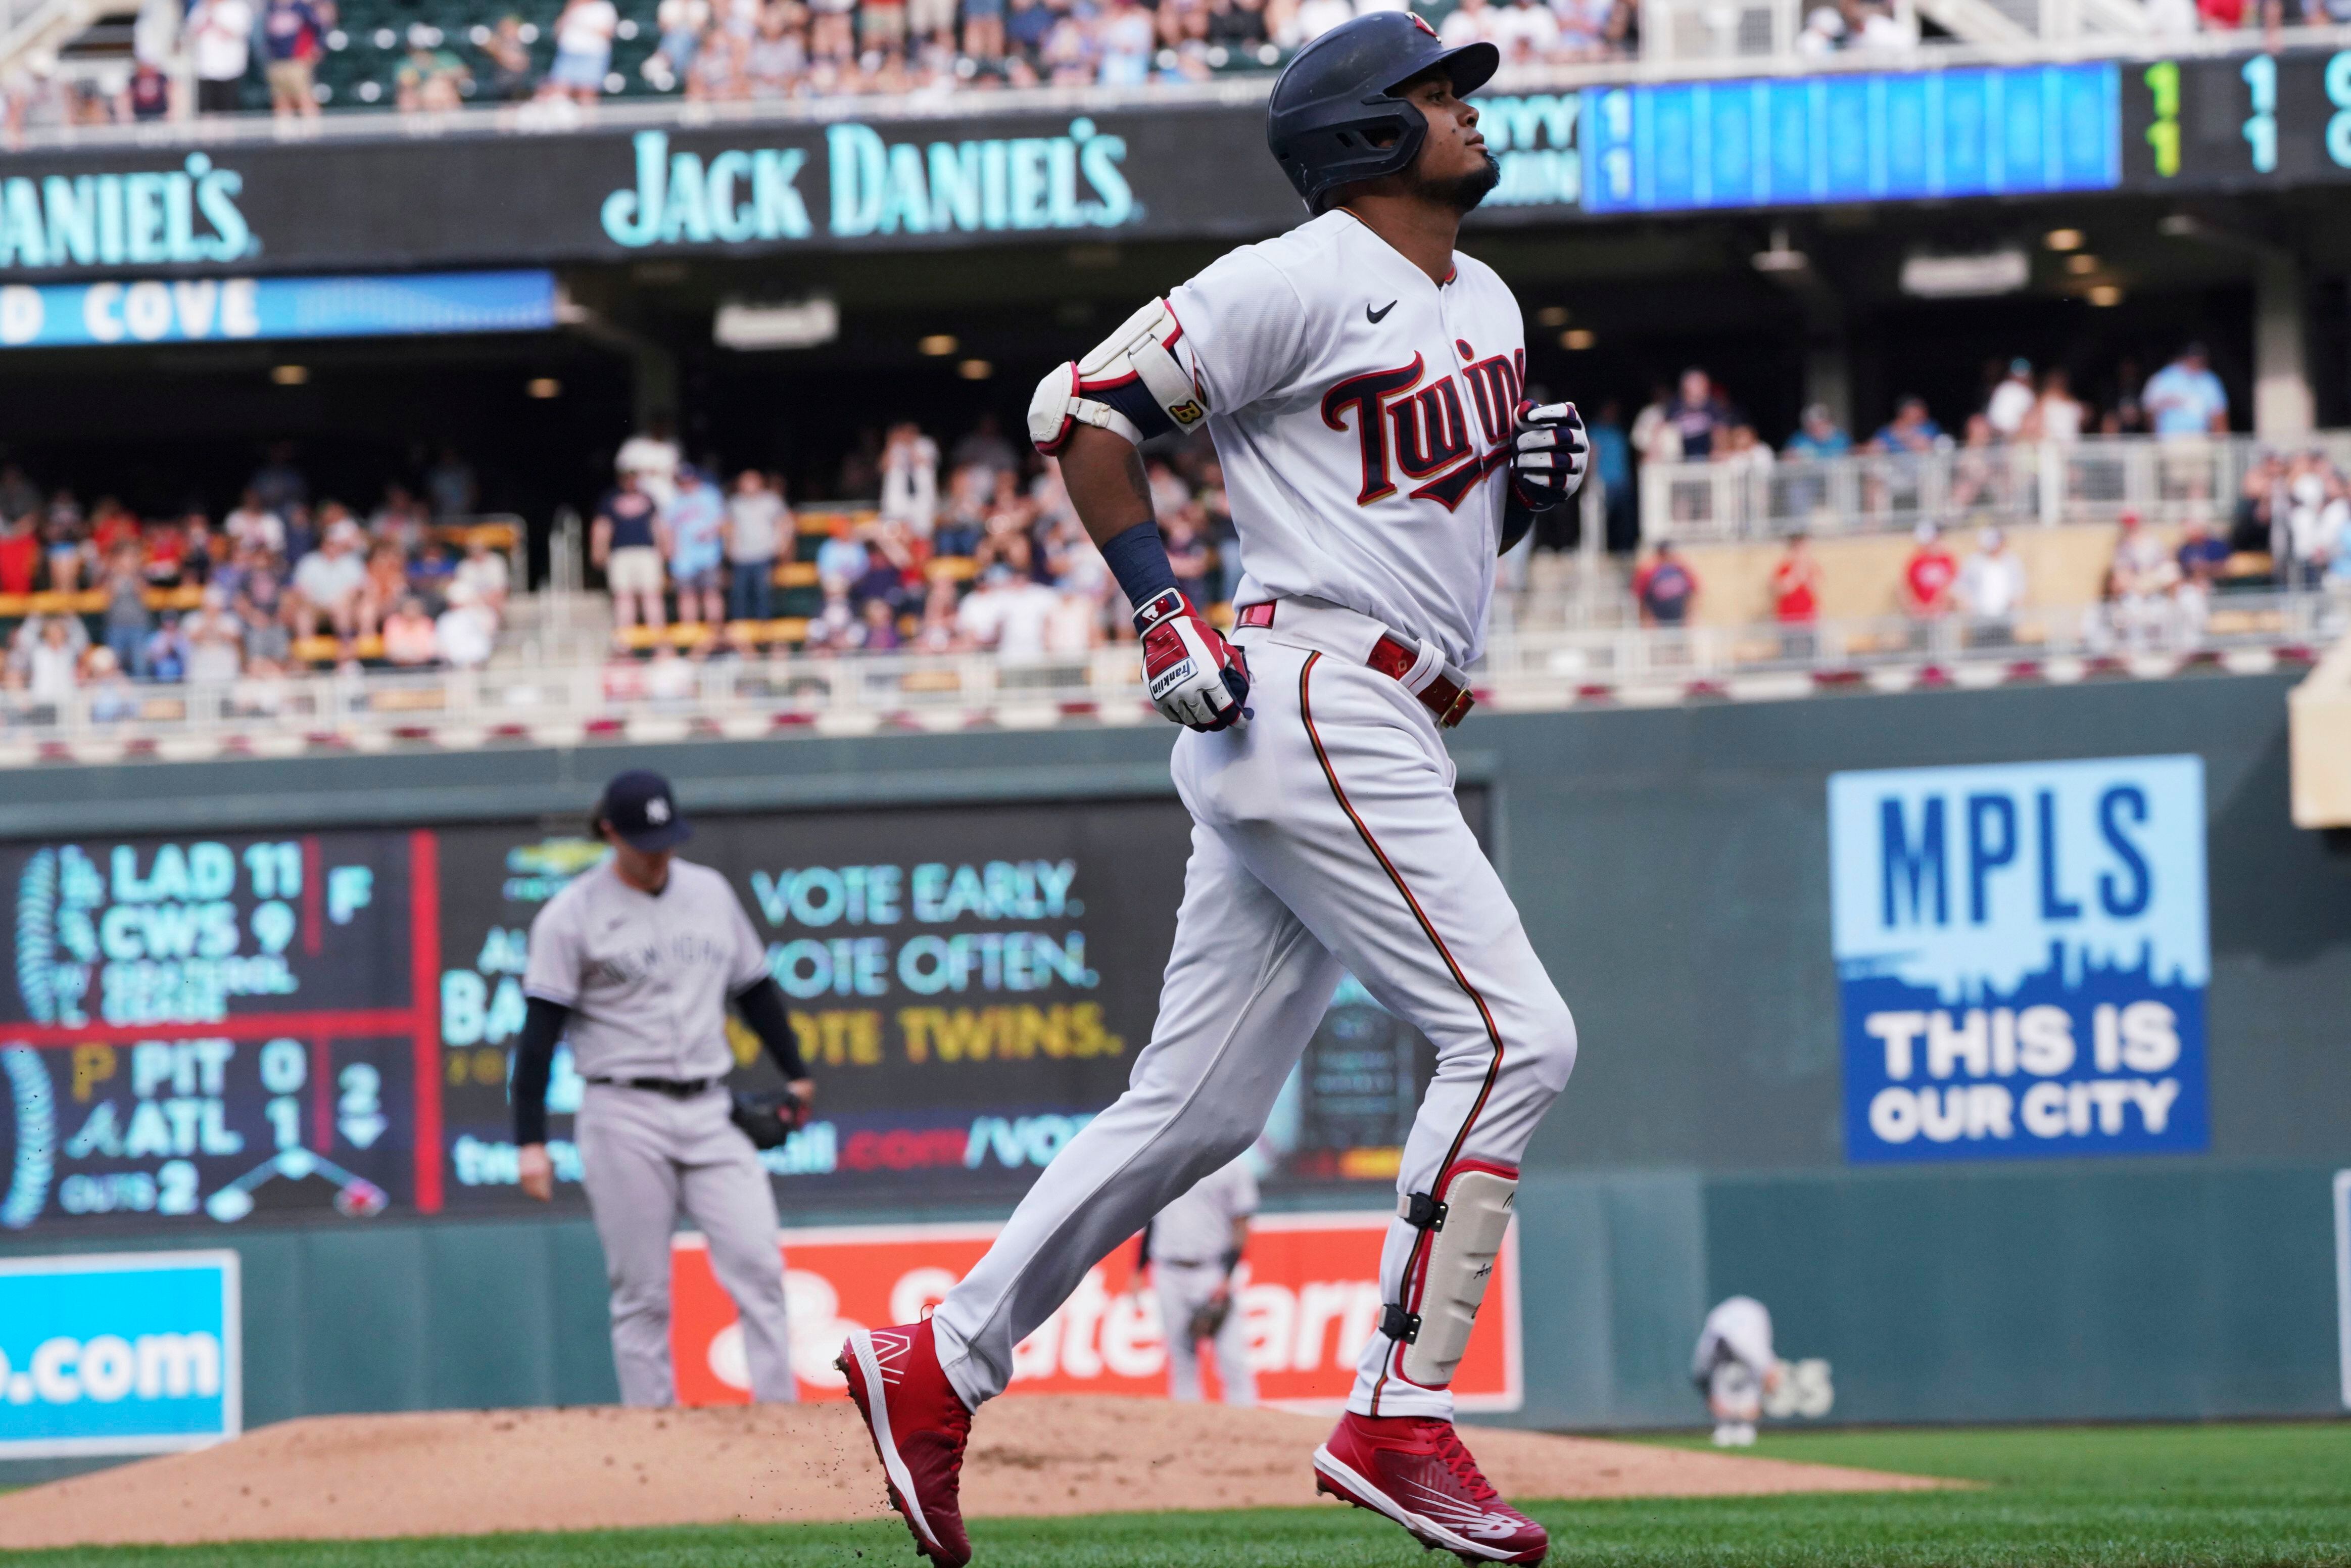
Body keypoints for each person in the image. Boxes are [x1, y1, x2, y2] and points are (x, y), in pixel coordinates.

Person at [834, 18, 1586, 1567]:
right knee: (1518, 1033)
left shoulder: (1489, 297)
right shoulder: (1291, 274)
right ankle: (1395, 1406)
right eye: (1435, 97)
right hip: (1314, 689)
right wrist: (1155, 606)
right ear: (1366, 136)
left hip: (1372, 696)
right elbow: (1079, 408)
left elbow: (1419, 540)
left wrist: (1517, 496)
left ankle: (943, 1355)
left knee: (1196, 1107)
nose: (1464, 113)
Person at [511, 771, 815, 1408]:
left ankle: (783, 1422)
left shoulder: (709, 892)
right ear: (609, 832)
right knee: (643, 1293)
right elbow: (538, 1035)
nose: (659, 853)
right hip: (622, 1110)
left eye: (667, 838)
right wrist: (530, 1142)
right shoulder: (570, 916)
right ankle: (659, 1441)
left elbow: (754, 988)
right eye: (645, 840)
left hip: (711, 1106)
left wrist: (795, 1069)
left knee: (760, 1266)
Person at [1138, 1154, 1258, 1405]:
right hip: (1168, 1270)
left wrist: (1227, 1275)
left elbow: (1241, 1223)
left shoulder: (1231, 1165)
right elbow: (1151, 1219)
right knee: (1181, 1360)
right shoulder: (1165, 1163)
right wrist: (1138, 1269)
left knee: (1232, 1357)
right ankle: (1188, 1435)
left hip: (1211, 1270)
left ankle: (1249, 1430)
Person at [1691, 1296, 1780, 1448]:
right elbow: (1700, 1376)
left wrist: (1760, 1405)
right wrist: (1712, 1400)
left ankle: (1746, 1428)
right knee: (1722, 1379)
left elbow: (1772, 1375)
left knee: (1750, 1386)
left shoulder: (1750, 1346)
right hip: (1725, 1317)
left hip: (1753, 1317)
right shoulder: (1707, 1348)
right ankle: (1724, 1427)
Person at [594, 469, 668, 638]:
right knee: (623, 595)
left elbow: (657, 525)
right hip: (620, 553)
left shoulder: (649, 499)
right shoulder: (610, 500)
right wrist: (599, 550)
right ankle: (625, 639)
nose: (631, 483)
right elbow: (603, 527)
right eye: (627, 479)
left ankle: (658, 638)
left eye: (634, 479)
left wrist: (664, 547)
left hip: (647, 552)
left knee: (651, 594)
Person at [665, 464, 728, 629]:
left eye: (690, 480)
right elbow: (668, 529)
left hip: (709, 555)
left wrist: (710, 532)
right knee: (686, 595)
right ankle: (690, 630)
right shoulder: (674, 501)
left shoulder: (710, 495)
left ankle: (715, 630)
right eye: (683, 481)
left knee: (711, 593)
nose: (687, 484)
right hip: (683, 559)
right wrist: (670, 550)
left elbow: (723, 521)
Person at [726, 470, 787, 624]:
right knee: (739, 593)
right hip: (742, 555)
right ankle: (740, 625)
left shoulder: (771, 501)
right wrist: (729, 548)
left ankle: (765, 625)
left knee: (763, 591)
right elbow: (729, 527)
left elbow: (782, 523)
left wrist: (781, 545)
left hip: (764, 553)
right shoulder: (735, 503)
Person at [1954, 526, 2026, 644]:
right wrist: (1966, 603)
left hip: (2005, 618)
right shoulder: (1974, 562)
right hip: (1980, 619)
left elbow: (2019, 588)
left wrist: (2016, 602)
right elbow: (1960, 587)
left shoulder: (2012, 562)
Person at [184, 0, 256, 114]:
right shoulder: (200, 8)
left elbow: (240, 32)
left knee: (227, 113)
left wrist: (216, 23)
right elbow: (190, 34)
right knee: (207, 113)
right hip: (204, 71)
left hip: (229, 71)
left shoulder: (237, 7)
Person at [2143, 343, 2228, 437]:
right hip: (2169, 440)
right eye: (2192, 357)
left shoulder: (2209, 380)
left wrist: (2221, 445)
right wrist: (2155, 439)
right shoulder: (2162, 378)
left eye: (2200, 359)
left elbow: (2219, 416)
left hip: (2199, 438)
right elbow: (2149, 411)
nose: (2196, 362)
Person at [1900, 521, 1958, 623]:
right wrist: (1917, 608)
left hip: (1941, 614)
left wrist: (1937, 607)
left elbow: (1950, 587)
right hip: (1920, 615)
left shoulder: (1947, 560)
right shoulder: (1916, 561)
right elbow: (1906, 587)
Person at [1635, 540, 1696, 626]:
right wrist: (1647, 620)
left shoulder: (1681, 570)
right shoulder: (1648, 572)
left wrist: (1690, 616)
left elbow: (1693, 594)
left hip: (1680, 622)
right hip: (1658, 624)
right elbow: (1641, 599)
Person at [1984, 357, 2036, 440]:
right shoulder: (2004, 389)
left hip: (2020, 437)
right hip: (2000, 436)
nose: (2021, 378)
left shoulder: (2028, 393)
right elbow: (1994, 420)